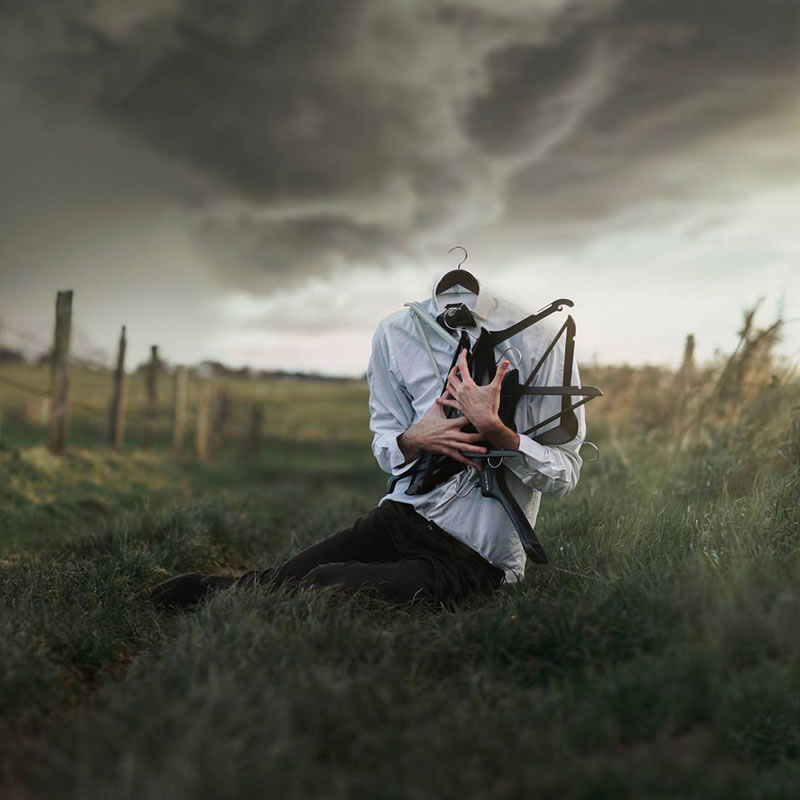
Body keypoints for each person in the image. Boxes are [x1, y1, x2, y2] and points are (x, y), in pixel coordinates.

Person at [150, 276, 585, 612]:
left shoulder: (539, 338)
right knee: (278, 579)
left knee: (325, 582)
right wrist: (412, 438)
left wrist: (498, 432)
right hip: (403, 516)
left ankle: (228, 597)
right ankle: (211, 592)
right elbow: (384, 440)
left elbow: (566, 474)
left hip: (474, 558)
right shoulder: (397, 334)